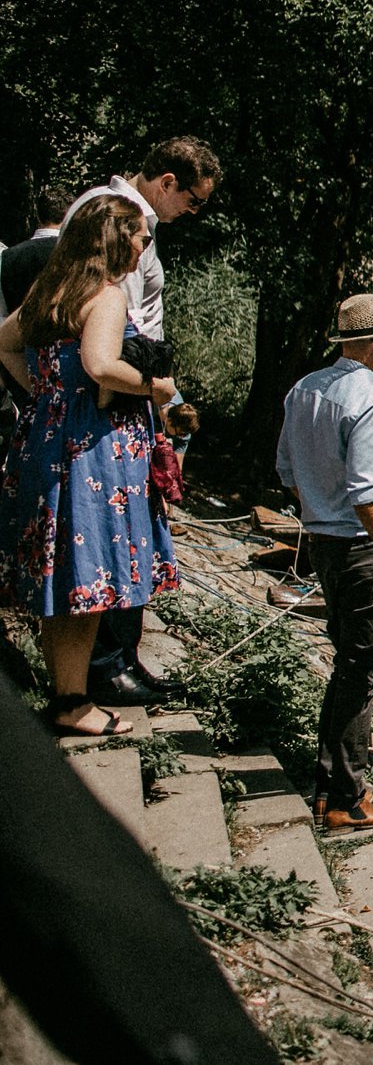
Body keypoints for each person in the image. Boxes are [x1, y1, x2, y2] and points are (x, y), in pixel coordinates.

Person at [0, 196, 181, 736]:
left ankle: (65, 694)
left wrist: (45, 396)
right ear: (114, 239)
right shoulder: (105, 297)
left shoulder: (51, 291)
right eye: (137, 237)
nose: (144, 244)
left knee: (60, 580)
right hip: (92, 456)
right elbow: (101, 364)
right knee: (86, 580)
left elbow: (4, 344)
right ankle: (74, 703)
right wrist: (156, 387)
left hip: (47, 444)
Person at [62, 137, 221, 708]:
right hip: (121, 392)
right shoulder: (119, 218)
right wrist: (159, 395)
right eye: (194, 201)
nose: (192, 215)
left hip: (131, 386)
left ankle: (121, 657)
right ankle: (107, 665)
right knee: (117, 528)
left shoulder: (129, 219)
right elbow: (117, 325)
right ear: (169, 181)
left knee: (134, 524)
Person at [278, 294, 373, 831]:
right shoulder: (370, 399)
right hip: (362, 548)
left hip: (323, 543)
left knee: (347, 665)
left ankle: (331, 785)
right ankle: (346, 799)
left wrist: (319, 505)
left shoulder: (304, 390)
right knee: (362, 672)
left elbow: (287, 470)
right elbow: (368, 493)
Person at [0, 185, 71, 317]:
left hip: (19, 333)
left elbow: (3, 311)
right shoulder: (75, 252)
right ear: (69, 215)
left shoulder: (8, 256)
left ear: (38, 215)